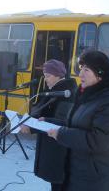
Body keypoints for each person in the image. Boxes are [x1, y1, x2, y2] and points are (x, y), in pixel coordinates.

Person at [47, 50, 109, 191]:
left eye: (87, 69)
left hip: (97, 179)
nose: (80, 74)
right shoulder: (85, 93)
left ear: (99, 75)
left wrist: (61, 134)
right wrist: (48, 122)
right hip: (78, 172)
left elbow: (99, 141)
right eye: (81, 68)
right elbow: (74, 125)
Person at [21, 59, 77, 191]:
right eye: (44, 76)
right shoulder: (54, 91)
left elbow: (59, 123)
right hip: (52, 148)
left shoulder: (66, 94)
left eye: (48, 76)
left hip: (58, 151)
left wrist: (31, 128)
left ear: (58, 75)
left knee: (59, 184)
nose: (45, 80)